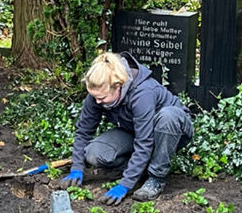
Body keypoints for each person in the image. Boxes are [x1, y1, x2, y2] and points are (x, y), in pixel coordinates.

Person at [57, 50, 194, 204]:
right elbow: (83, 132)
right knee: (94, 154)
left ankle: (156, 177)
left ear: (118, 86)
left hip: (171, 131)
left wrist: (125, 185)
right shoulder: (98, 94)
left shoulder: (143, 93)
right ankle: (141, 169)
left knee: (169, 116)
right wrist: (77, 167)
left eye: (101, 98)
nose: (97, 102)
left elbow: (144, 142)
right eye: (94, 97)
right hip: (134, 131)